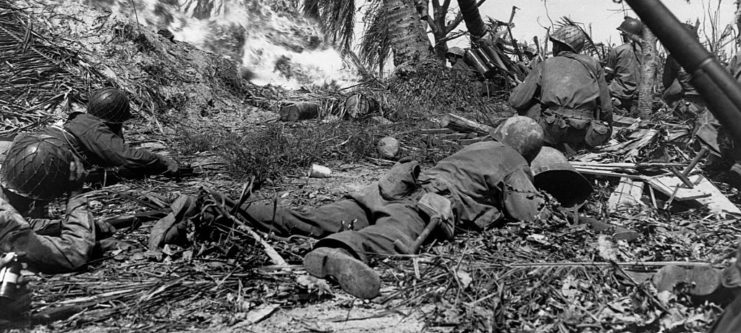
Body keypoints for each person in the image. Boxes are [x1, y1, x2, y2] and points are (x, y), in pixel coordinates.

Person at [237, 116, 546, 299]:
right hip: (420, 205)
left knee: (314, 218)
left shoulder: (476, 147)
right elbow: (529, 216)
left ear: (501, 132)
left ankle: (223, 209)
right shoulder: (514, 163)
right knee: (392, 234)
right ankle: (338, 254)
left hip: (389, 189)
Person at [0, 130, 97, 274]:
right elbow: (73, 254)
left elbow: (21, 222)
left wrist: (60, 226)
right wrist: (76, 195)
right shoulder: (6, 220)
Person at [509, 24, 613, 153]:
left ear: (557, 46)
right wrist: (607, 132)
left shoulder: (545, 64)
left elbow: (517, 101)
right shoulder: (593, 64)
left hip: (553, 129)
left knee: (530, 106)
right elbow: (606, 107)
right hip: (585, 131)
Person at [62, 87, 179, 178]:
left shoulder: (81, 122)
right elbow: (126, 155)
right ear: (115, 122)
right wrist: (162, 160)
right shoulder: (94, 128)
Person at [604, 17, 643, 113]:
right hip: (638, 96)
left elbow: (607, 76)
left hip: (619, 94)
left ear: (625, 35)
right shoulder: (647, 52)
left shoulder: (617, 50)